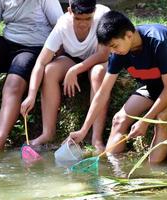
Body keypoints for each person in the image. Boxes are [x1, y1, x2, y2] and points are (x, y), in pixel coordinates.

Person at [68, 11, 167, 163]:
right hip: (152, 84)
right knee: (119, 120)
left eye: (114, 45)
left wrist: (145, 121)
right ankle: (116, 174)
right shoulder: (118, 53)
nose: (112, 51)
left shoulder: (158, 41)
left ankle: (153, 173)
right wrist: (84, 129)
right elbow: (102, 92)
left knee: (161, 118)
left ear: (129, 35)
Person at [0, 0, 63, 151]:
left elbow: (61, 26)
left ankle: (1, 136)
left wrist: (56, 55)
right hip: (8, 46)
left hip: (33, 50)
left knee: (12, 84)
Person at [20, 0, 110, 153]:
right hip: (73, 59)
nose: (82, 24)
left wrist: (75, 70)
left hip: (100, 60)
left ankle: (96, 138)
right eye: (77, 19)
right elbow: (41, 63)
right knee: (50, 70)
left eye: (88, 19)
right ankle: (48, 133)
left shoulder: (103, 16)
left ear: (94, 12)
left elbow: (103, 54)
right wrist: (31, 95)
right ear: (69, 11)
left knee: (97, 74)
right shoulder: (62, 25)